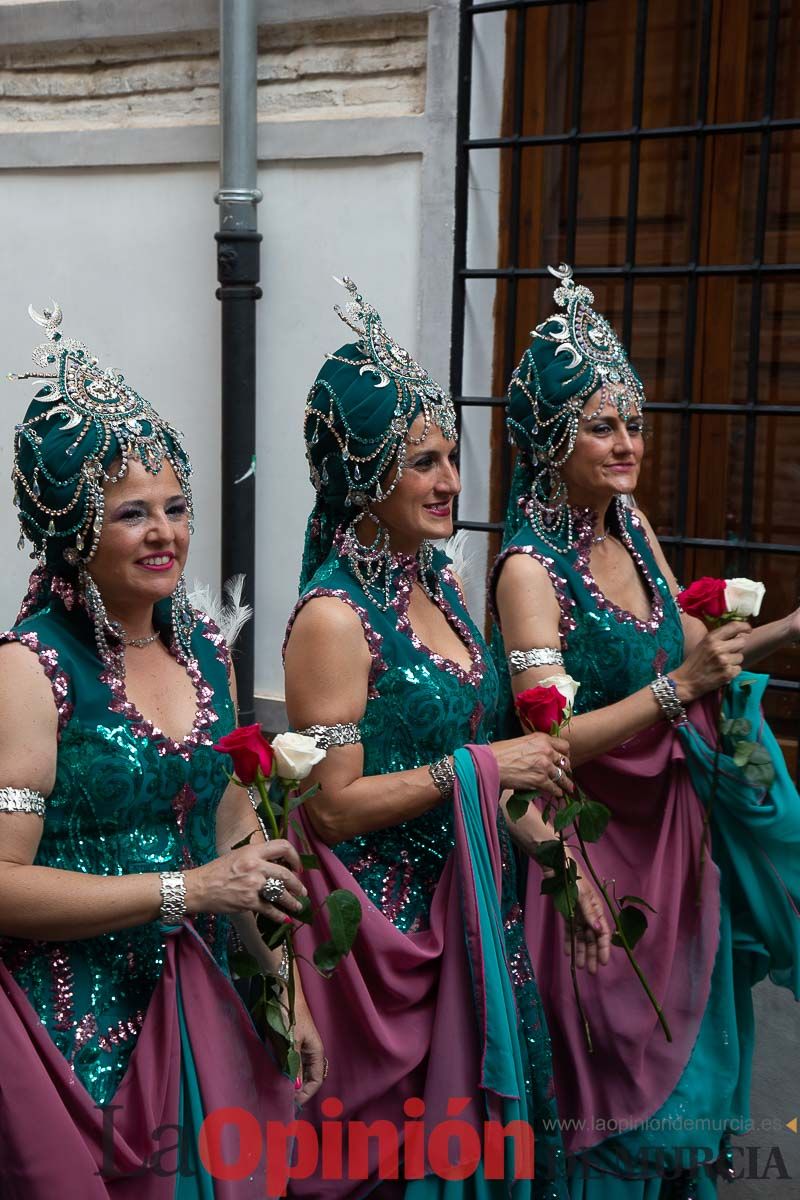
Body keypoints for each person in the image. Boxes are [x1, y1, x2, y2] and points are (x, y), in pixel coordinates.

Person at [282, 276, 611, 1199]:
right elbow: (335, 811)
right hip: (379, 948)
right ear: (363, 473)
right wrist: (478, 764)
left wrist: (560, 857)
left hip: (470, 913)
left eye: (453, 456)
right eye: (423, 460)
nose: (453, 482)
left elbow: (493, 774)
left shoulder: (443, 595)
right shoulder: (333, 620)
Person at [490, 264, 800, 1198]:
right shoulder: (527, 573)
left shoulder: (631, 527)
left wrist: (782, 634)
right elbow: (548, 744)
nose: (627, 444)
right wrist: (677, 692)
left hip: (677, 839)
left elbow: (696, 641)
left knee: (695, 1064)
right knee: (616, 1087)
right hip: (594, 852)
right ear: (551, 439)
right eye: (601, 425)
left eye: (633, 422)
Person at [0, 302, 322, 1198]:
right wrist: (182, 892)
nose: (165, 534)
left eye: (176, 508)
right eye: (131, 513)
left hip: (201, 1013)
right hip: (69, 1043)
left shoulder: (205, 651)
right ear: (70, 530)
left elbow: (234, 846)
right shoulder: (28, 671)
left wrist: (282, 988)